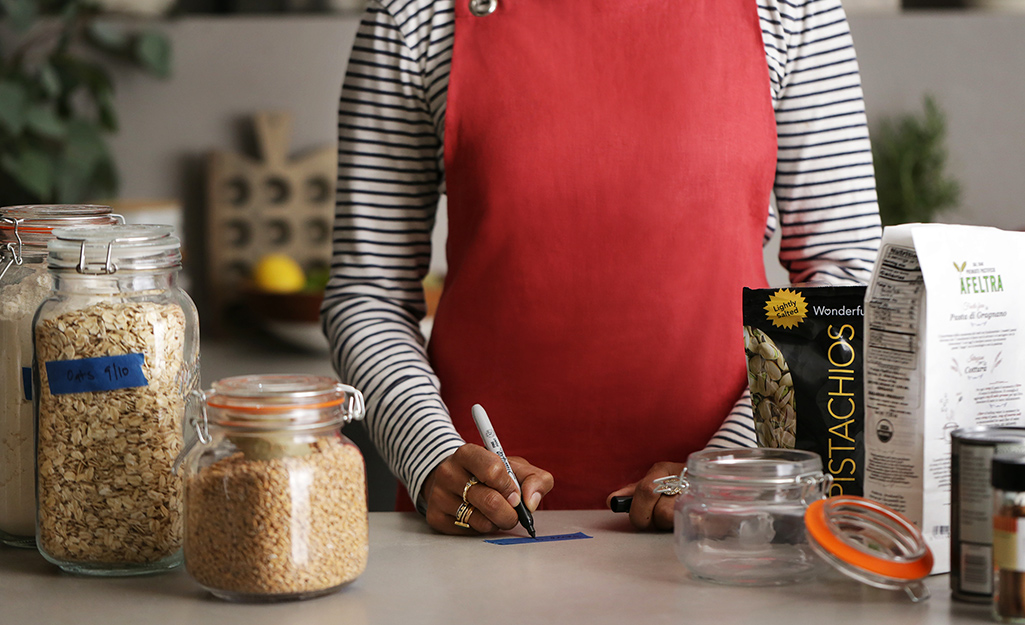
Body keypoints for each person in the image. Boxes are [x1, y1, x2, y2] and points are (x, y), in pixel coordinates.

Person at [322, 0, 882, 534]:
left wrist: (728, 466)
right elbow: (368, 293)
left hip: (728, 520)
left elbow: (846, 276)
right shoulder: (418, 11)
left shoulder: (792, 8)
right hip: (477, 515)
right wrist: (430, 457)